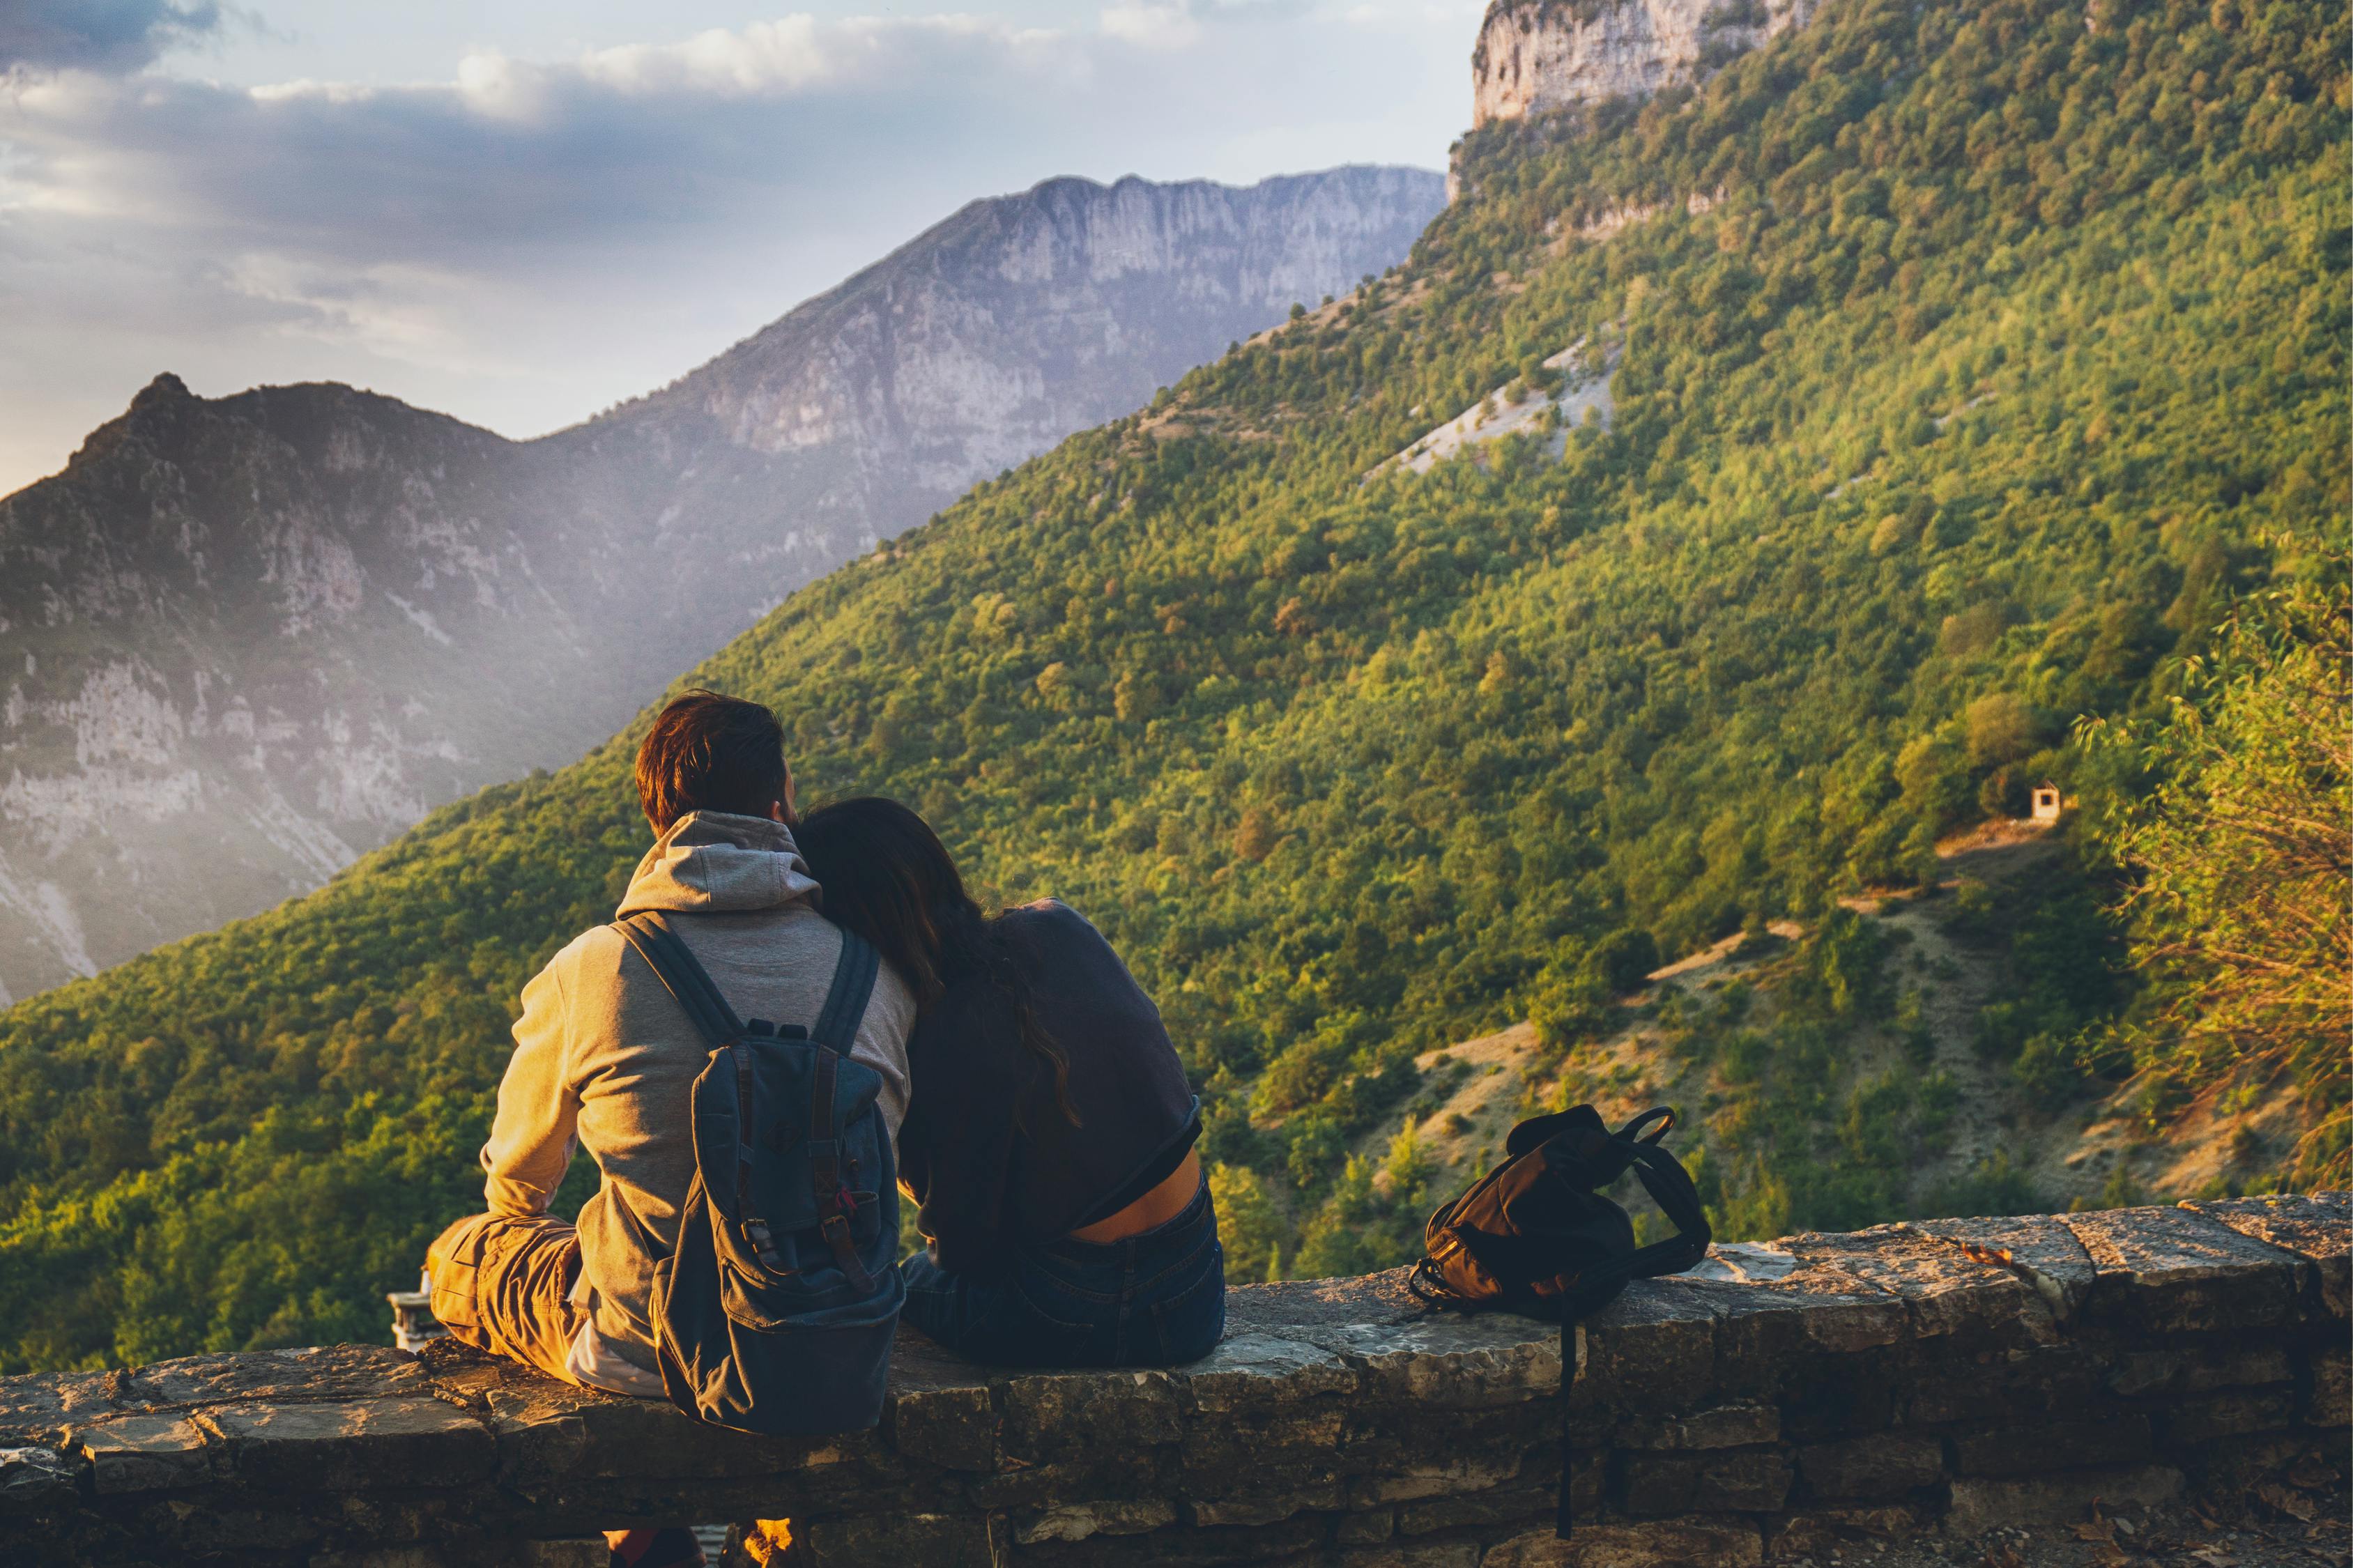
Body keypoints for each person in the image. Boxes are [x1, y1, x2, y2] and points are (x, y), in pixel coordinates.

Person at [422, 693, 915, 1568]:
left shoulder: (593, 967)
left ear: (657, 820)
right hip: (828, 1337)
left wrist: (530, 1210)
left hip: (641, 1349)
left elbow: (520, 1177)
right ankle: (740, 1533)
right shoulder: (872, 970)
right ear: (781, 807)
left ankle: (643, 1539)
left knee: (461, 1252)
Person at [792, 796, 1222, 1367]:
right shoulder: (1058, 925)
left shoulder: (943, 1035)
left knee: (896, 1285)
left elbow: (965, 1253)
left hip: (1073, 1309)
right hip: (1197, 1285)